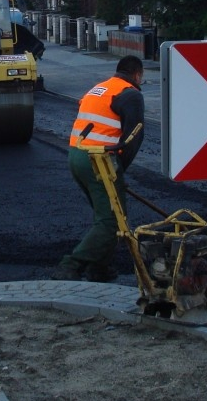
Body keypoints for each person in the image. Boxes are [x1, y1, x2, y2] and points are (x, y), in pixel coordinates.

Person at [52, 55, 145, 282]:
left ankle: (99, 268)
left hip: (76, 155)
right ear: (137, 75)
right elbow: (134, 137)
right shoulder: (130, 94)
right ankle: (70, 265)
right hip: (98, 160)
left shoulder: (100, 88)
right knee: (112, 220)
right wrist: (119, 170)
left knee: (105, 216)